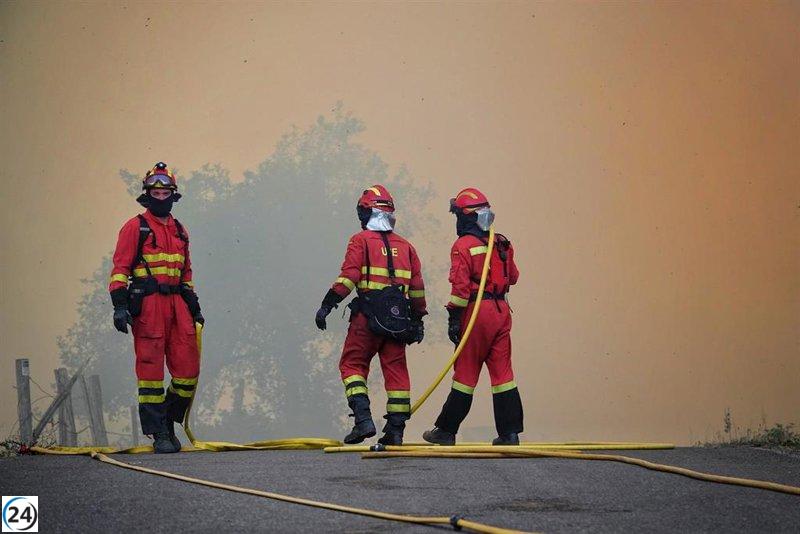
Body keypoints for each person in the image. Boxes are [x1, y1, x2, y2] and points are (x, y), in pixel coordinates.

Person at [315, 185, 427, 445]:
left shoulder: (360, 240)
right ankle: (395, 431)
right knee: (397, 373)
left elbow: (350, 276)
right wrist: (418, 319)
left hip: (366, 320)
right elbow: (418, 289)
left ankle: (363, 420)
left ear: (367, 213)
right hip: (398, 321)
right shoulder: (407, 246)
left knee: (352, 366)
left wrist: (328, 304)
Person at [109, 162, 204, 453]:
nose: (161, 197)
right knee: (150, 372)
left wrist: (195, 307)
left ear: (173, 196)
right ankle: (158, 432)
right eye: (156, 193)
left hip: (178, 304)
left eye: (166, 193)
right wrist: (120, 306)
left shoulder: (180, 230)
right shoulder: (135, 227)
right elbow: (120, 270)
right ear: (147, 195)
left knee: (188, 371)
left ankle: (168, 418)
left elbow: (186, 274)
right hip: (149, 306)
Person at [423, 187, 523, 446]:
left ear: (465, 217)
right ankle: (510, 433)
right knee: (503, 375)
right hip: (501, 312)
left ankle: (446, 431)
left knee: (465, 375)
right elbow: (513, 277)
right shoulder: (502, 243)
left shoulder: (462, 246)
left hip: (476, 313)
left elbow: (460, 290)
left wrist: (454, 319)